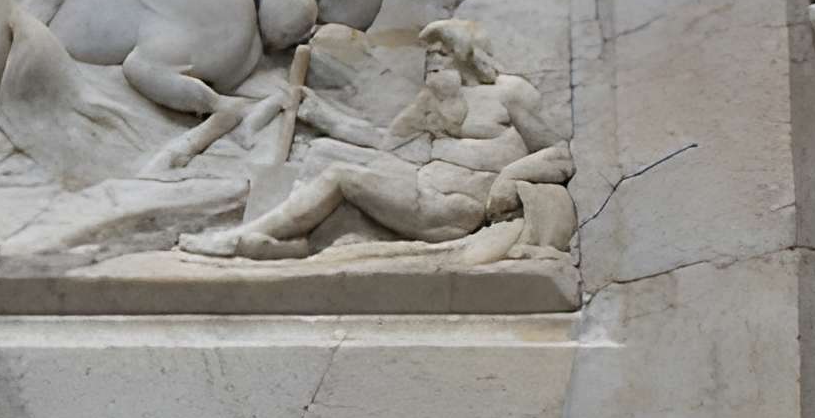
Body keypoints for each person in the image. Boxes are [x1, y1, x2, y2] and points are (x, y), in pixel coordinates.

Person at [179, 20, 571, 259]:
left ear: (467, 56)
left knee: (341, 176)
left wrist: (509, 178)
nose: (431, 60)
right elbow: (386, 143)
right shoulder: (435, 98)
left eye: (442, 53)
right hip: (418, 183)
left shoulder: (509, 94)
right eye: (429, 54)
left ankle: (242, 239)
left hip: (455, 207)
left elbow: (558, 151)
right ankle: (292, 238)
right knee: (323, 150)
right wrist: (322, 115)